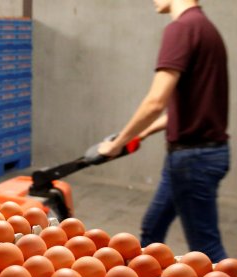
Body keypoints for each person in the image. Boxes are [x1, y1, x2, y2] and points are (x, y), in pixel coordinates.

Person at [97, 0, 230, 262]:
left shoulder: (180, 29)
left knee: (207, 251)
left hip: (193, 160)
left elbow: (156, 102)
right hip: (194, 156)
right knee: (152, 228)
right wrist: (140, 134)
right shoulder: (205, 28)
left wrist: (117, 143)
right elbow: (186, 111)